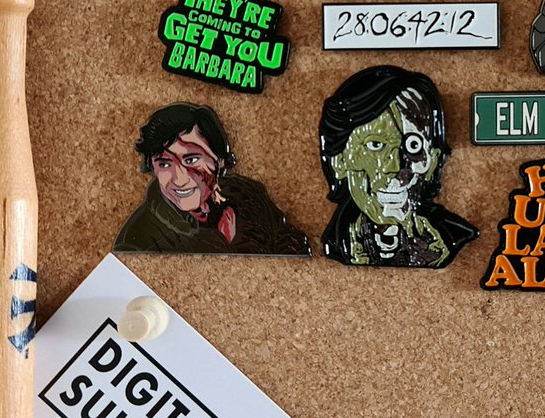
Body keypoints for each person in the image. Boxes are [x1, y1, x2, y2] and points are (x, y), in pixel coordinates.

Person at [319, 65, 477, 268]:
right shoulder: (339, 243)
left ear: (433, 160)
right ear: (339, 161)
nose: (394, 166)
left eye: (413, 146)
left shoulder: (449, 238)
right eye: (375, 145)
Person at [113, 103, 308, 255]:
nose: (179, 179)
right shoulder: (139, 241)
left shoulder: (248, 195)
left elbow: (292, 247)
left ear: (219, 160)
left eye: (191, 159)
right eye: (164, 164)